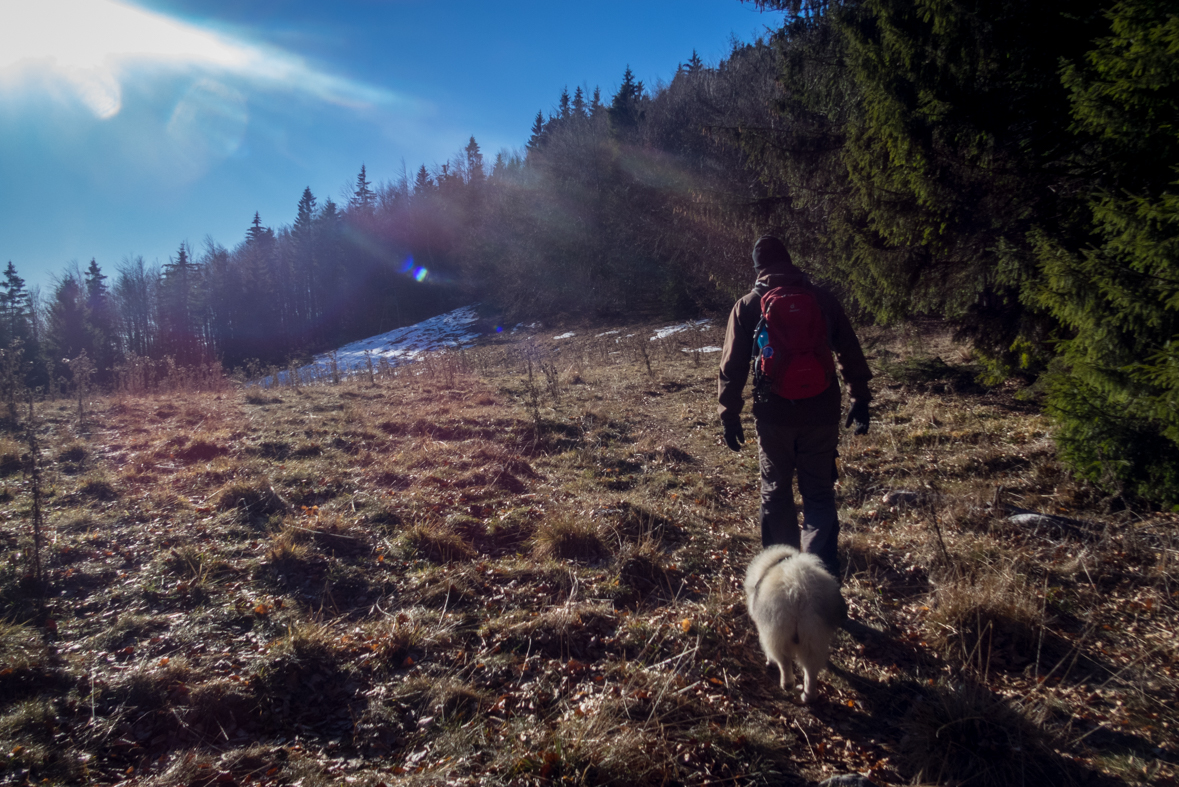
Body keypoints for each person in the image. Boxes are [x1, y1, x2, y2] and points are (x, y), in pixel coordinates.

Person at [718, 235, 872, 580]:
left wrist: (729, 415)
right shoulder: (822, 299)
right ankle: (821, 578)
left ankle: (782, 577)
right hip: (822, 410)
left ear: (758, 268)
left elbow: (732, 367)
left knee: (776, 489)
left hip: (774, 415)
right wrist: (859, 397)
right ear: (790, 262)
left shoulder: (747, 305)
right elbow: (849, 349)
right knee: (818, 493)